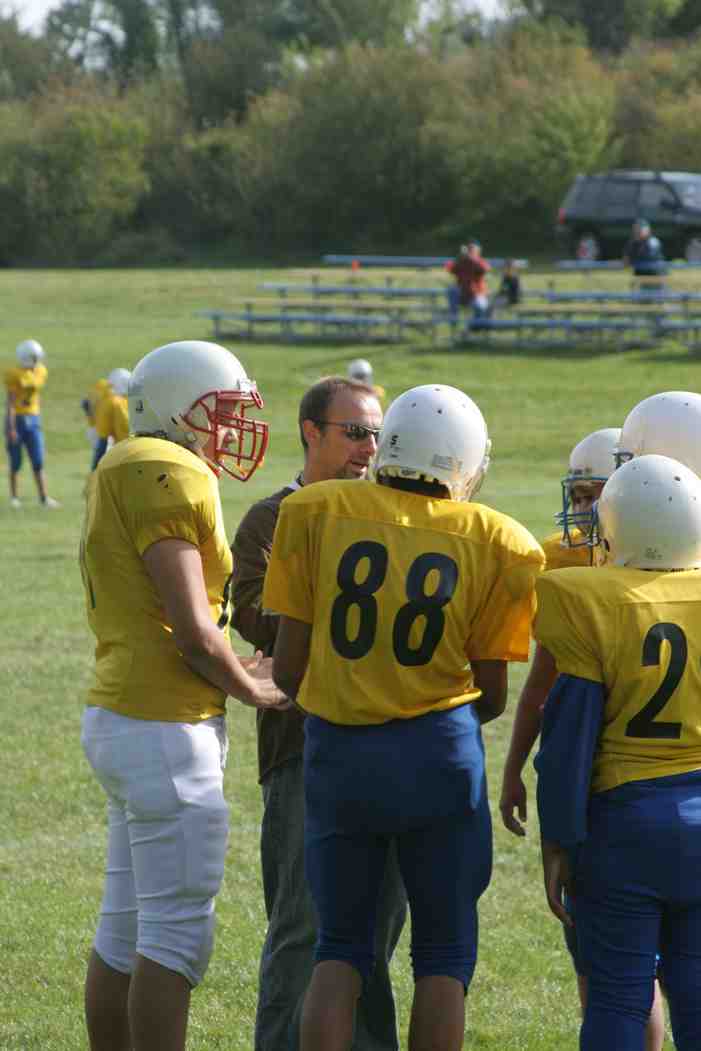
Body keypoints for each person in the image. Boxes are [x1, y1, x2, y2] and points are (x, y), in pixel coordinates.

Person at [263, 384, 545, 1051]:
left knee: (339, 947)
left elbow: (286, 669)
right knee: (443, 954)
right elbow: (494, 693)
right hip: (438, 750)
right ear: (464, 459)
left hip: (337, 749)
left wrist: (349, 695)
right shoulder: (498, 538)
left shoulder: (312, 509)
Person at [79, 339, 288, 1051]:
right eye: (221, 413)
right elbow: (194, 630)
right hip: (164, 724)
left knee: (125, 925)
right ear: (177, 410)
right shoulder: (164, 470)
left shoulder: (128, 461)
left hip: (126, 712)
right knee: (174, 937)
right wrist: (251, 686)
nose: (231, 429)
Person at [231, 375, 407, 1051]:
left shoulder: (397, 517)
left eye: (377, 434)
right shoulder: (269, 520)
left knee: (377, 933)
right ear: (310, 430)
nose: (368, 447)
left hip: (391, 748)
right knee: (302, 929)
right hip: (302, 745)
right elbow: (255, 616)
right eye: (354, 431)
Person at [498, 427, 666, 1051]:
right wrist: (514, 763)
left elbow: (555, 704)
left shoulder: (588, 583)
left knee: (621, 979)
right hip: (656, 802)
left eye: (601, 492)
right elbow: (540, 686)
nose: (587, 508)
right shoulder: (573, 564)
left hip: (615, 801)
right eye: (589, 490)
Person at [534, 453, 701, 1051]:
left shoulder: (590, 599)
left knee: (617, 1000)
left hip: (624, 827)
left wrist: (557, 839)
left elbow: (567, 743)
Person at [4, 338, 59, 508]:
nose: (37, 361)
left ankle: (44, 498)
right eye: (34, 358)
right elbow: (11, 403)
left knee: (38, 460)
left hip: (33, 419)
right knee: (16, 461)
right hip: (17, 420)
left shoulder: (40, 371)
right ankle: (14, 498)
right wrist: (11, 427)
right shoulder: (15, 374)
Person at [91, 367, 131, 469]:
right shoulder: (116, 402)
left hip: (104, 438)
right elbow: (124, 424)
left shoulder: (105, 397)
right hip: (113, 442)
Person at [447, 241, 491, 322]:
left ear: (478, 253)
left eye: (473, 251)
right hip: (464, 295)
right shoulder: (462, 262)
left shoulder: (480, 262)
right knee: (452, 290)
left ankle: (477, 327)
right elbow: (449, 268)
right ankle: (453, 319)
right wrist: (459, 257)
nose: (470, 253)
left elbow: (486, 269)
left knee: (480, 306)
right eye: (469, 250)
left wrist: (473, 259)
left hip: (477, 294)